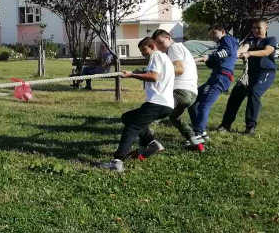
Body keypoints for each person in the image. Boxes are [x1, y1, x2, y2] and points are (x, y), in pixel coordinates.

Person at [99, 37, 175, 172]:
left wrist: (131, 75)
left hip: (156, 103)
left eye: (144, 50)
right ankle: (153, 144)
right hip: (166, 105)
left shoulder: (156, 56)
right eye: (141, 51)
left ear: (152, 46)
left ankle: (117, 161)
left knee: (132, 126)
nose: (143, 54)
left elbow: (153, 76)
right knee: (128, 117)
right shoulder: (165, 59)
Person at [217, 19, 277, 135]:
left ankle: (250, 128)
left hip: (266, 73)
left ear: (266, 28)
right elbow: (243, 49)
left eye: (258, 28)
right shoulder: (250, 40)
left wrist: (249, 54)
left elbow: (266, 52)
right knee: (236, 94)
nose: (255, 30)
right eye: (253, 28)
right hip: (249, 74)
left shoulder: (270, 40)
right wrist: (234, 53)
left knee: (254, 93)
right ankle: (225, 125)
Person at [186, 25, 239, 148]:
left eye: (214, 33)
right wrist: (207, 60)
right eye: (211, 35)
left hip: (221, 77)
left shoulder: (227, 40)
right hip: (216, 76)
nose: (212, 37)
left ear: (223, 32)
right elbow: (216, 60)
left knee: (205, 104)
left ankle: (198, 134)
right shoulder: (221, 45)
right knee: (192, 101)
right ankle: (200, 130)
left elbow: (227, 52)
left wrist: (208, 57)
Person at [151, 29, 200, 149]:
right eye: (157, 45)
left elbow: (179, 69)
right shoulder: (181, 48)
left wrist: (158, 74)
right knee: (174, 117)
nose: (160, 47)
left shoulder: (174, 48)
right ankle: (195, 142)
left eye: (161, 42)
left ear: (168, 37)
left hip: (181, 91)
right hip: (192, 93)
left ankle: (147, 143)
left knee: (152, 111)